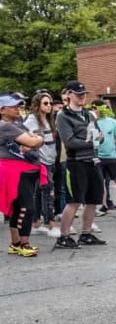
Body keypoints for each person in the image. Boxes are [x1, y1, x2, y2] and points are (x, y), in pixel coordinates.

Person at [54, 81, 107, 248]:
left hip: (93, 160)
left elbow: (100, 135)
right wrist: (92, 141)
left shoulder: (89, 114)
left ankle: (86, 233)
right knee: (75, 200)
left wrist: (99, 138)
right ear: (69, 95)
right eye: (78, 94)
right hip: (76, 162)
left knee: (93, 199)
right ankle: (63, 236)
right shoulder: (63, 116)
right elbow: (69, 142)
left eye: (84, 94)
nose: (82, 97)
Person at [0, 92, 44, 256]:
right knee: (27, 207)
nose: (18, 109)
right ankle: (24, 244)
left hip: (23, 169)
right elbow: (34, 140)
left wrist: (34, 141)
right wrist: (36, 140)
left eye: (18, 105)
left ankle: (15, 243)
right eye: (13, 106)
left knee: (18, 207)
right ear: (2, 110)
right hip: (15, 171)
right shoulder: (6, 126)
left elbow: (35, 140)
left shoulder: (17, 124)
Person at [24, 92, 58, 236]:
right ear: (37, 105)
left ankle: (36, 222)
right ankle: (50, 224)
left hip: (50, 160)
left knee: (40, 192)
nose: (49, 106)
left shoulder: (49, 120)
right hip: (39, 161)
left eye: (50, 103)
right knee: (47, 192)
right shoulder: (32, 120)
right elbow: (25, 137)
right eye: (45, 103)